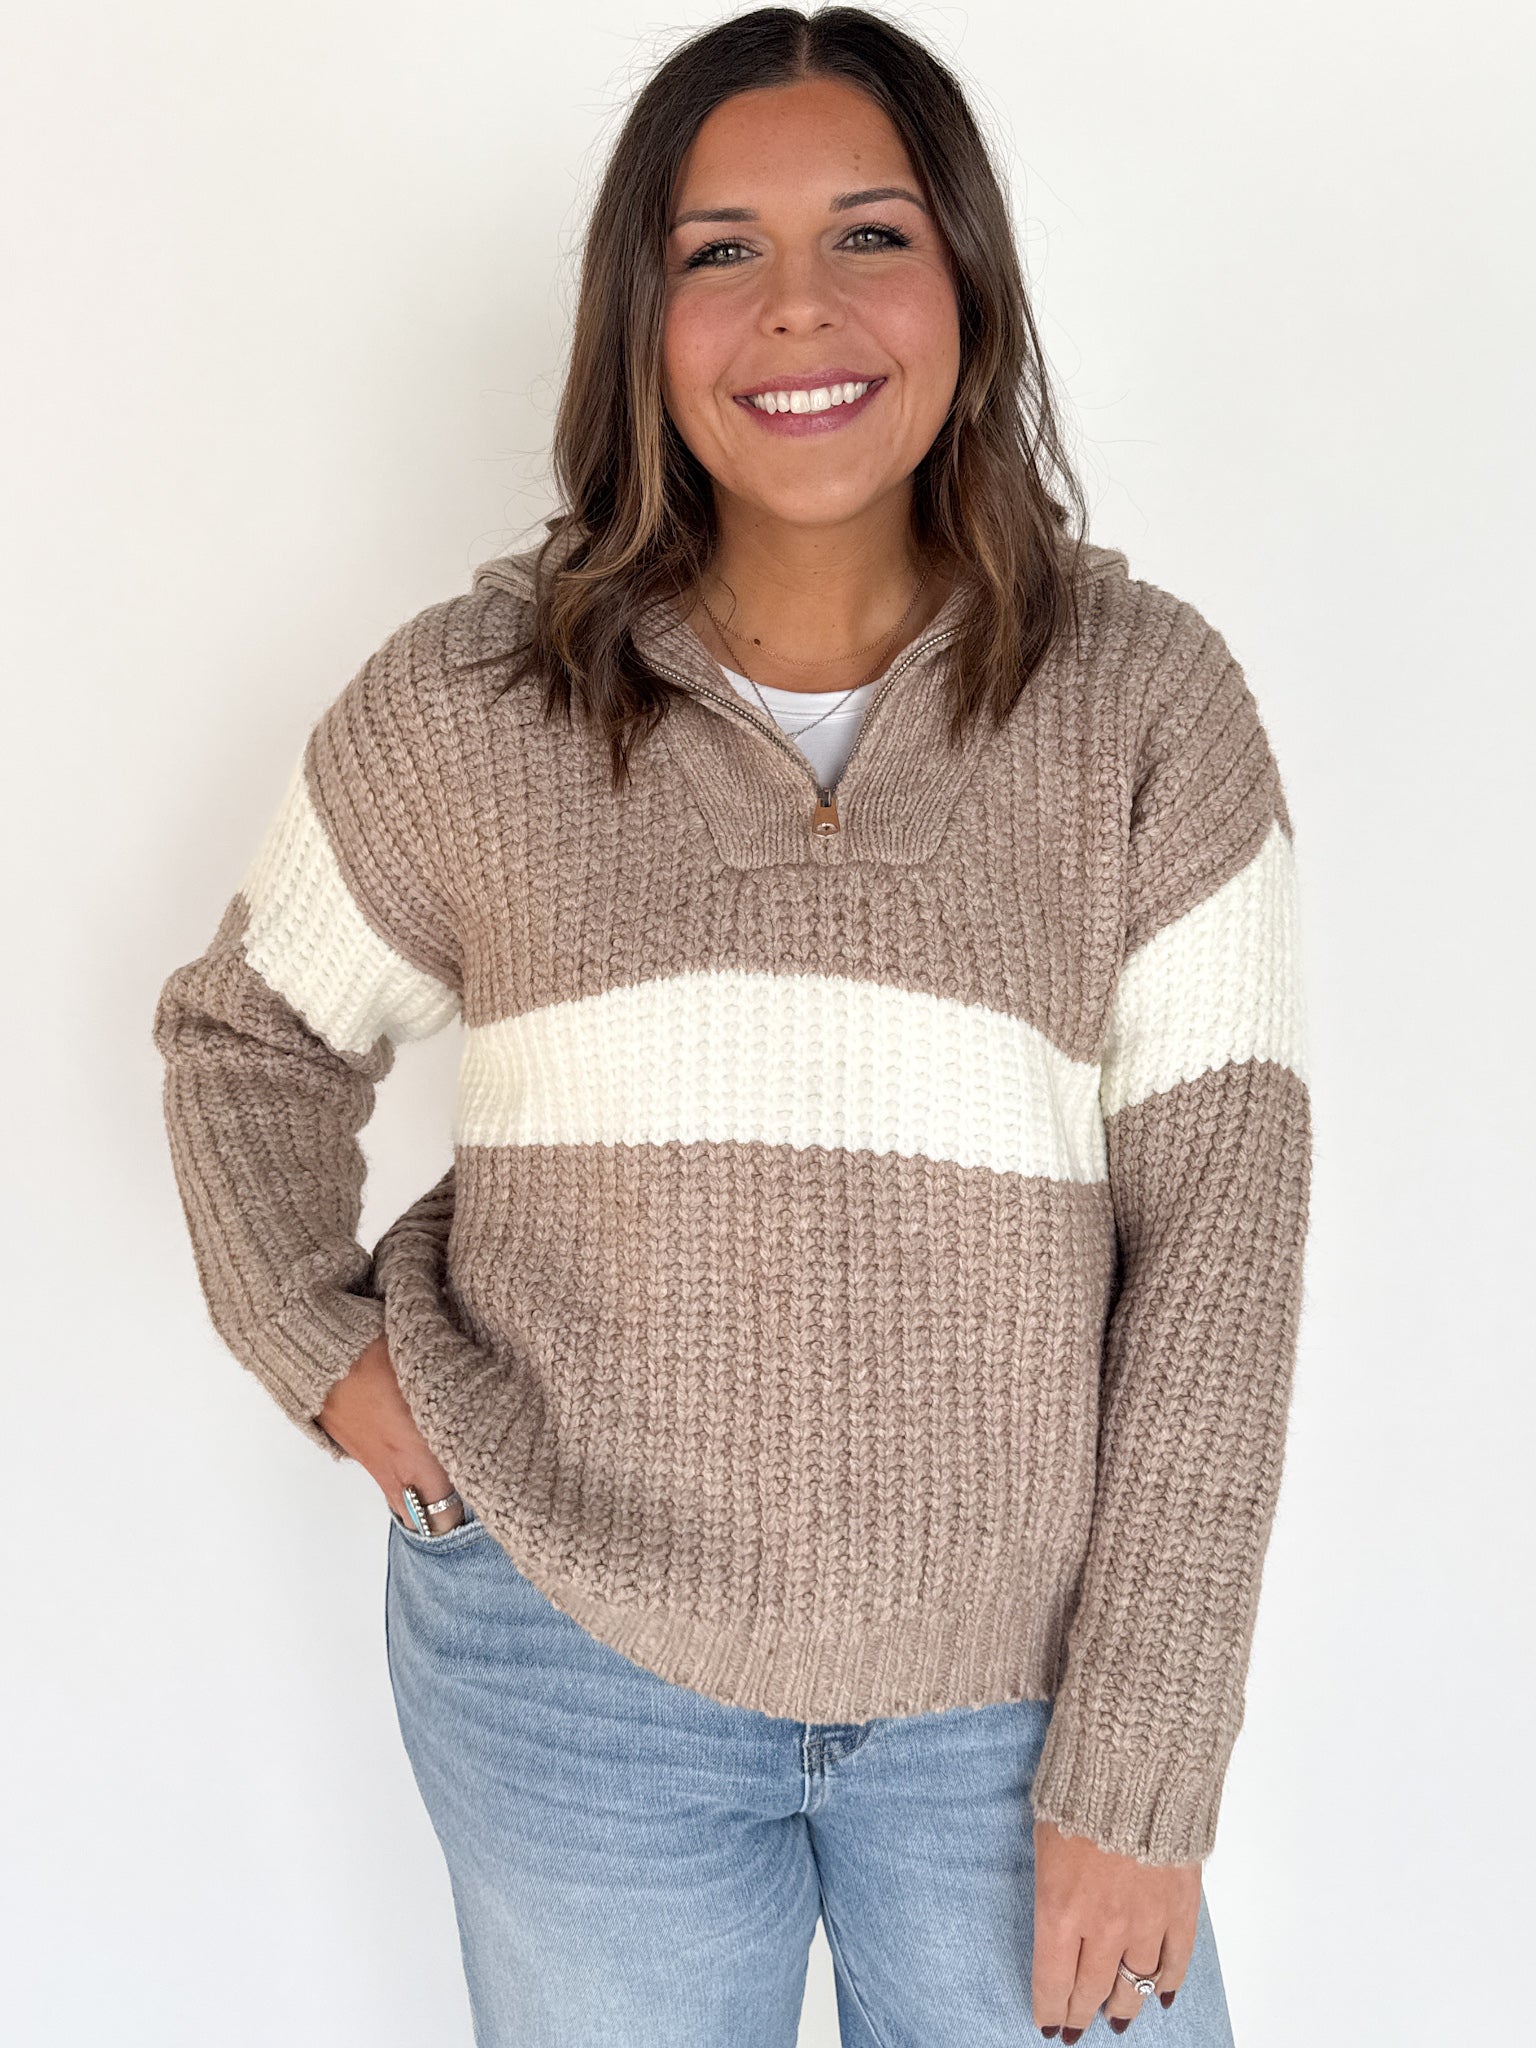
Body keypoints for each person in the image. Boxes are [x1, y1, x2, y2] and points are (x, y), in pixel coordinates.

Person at [151, 9, 1312, 2044]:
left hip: (1015, 1701)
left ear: (967, 282)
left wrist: (1140, 1769)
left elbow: (1219, 1265)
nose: (797, 307)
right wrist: (338, 1366)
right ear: (642, 316)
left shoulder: (1148, 707)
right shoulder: (472, 705)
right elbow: (247, 1036)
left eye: (870, 234)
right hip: (569, 1673)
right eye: (718, 251)